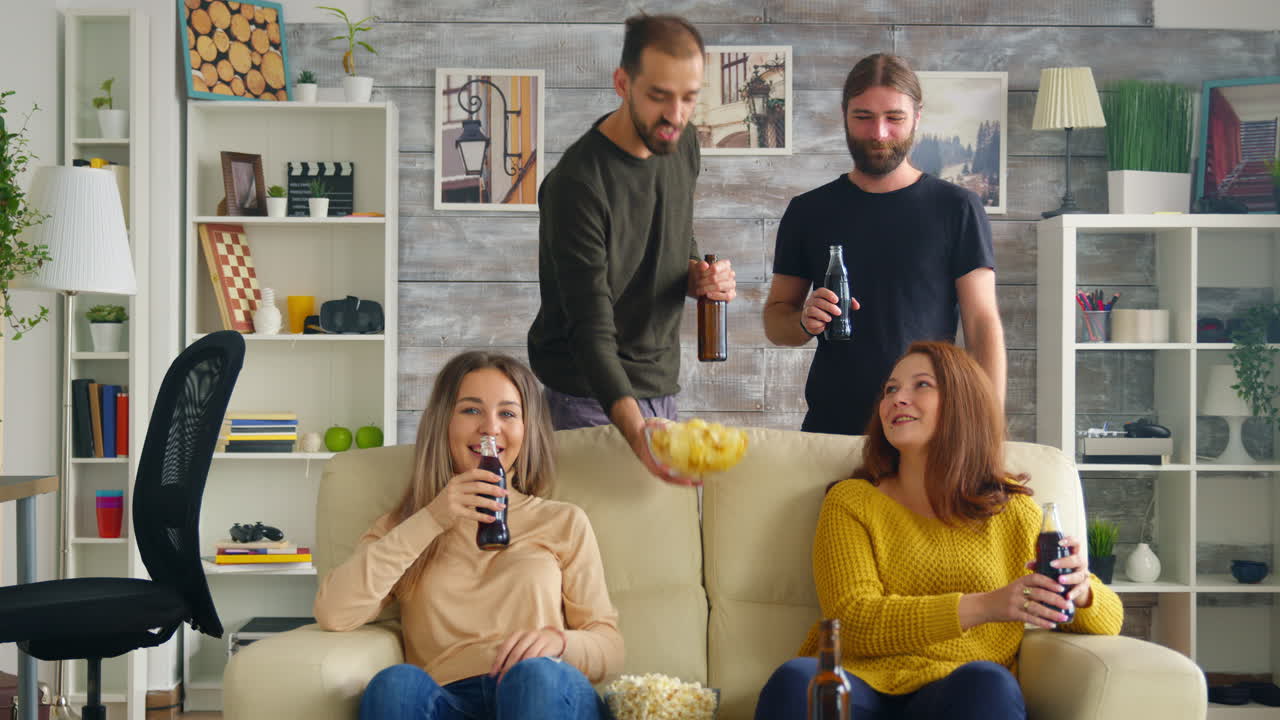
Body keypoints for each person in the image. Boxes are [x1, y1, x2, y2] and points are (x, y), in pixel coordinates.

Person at [755, 341, 1123, 720]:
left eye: (921, 385)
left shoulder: (1012, 513)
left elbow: (1110, 620)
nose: (897, 398)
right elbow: (852, 621)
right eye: (890, 389)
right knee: (798, 680)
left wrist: (1081, 592)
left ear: (962, 405)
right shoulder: (852, 501)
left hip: (958, 692)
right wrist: (986, 605)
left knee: (989, 683)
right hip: (857, 683)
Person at [314, 351, 622, 720]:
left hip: (545, 691)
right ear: (443, 423)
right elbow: (334, 613)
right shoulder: (407, 527)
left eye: (507, 413)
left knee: (535, 678)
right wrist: (432, 518)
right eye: (471, 410)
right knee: (395, 684)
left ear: (526, 430)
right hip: (449, 699)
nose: (490, 428)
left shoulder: (563, 521)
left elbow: (610, 648)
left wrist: (561, 642)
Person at [527, 13, 736, 485]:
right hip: (585, 396)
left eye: (689, 98)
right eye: (659, 96)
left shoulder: (680, 145)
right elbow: (590, 332)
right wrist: (638, 435)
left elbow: (677, 234)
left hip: (660, 386)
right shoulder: (578, 186)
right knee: (591, 552)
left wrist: (697, 274)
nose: (676, 116)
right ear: (622, 83)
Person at [762, 53, 1006, 435]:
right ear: (844, 115)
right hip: (832, 432)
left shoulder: (958, 208)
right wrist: (802, 320)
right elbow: (776, 322)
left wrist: (986, 432)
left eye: (894, 118)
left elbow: (982, 325)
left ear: (917, 117)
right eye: (863, 117)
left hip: (928, 434)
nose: (879, 133)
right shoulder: (808, 210)